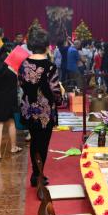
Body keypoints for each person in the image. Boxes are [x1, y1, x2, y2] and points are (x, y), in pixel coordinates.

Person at [19, 28, 62, 187]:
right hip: (45, 111)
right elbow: (55, 91)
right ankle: (38, 174)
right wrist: (59, 99)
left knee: (34, 141)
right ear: (46, 45)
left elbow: (21, 83)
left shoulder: (23, 64)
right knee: (43, 143)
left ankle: (35, 173)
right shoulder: (50, 66)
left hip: (28, 108)